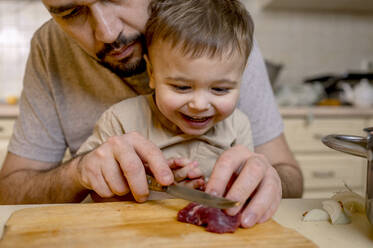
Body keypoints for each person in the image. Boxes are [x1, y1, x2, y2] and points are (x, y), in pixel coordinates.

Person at [0, 0, 303, 228]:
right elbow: (9, 194)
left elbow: (289, 175)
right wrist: (78, 173)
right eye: (70, 12)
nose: (107, 32)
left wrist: (269, 179)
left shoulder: (219, 34)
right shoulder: (50, 47)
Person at [77, 0, 256, 205]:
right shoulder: (119, 121)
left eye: (220, 89)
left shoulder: (238, 126)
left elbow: (244, 193)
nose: (199, 104)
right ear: (152, 73)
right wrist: (151, 189)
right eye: (181, 87)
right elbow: (91, 191)